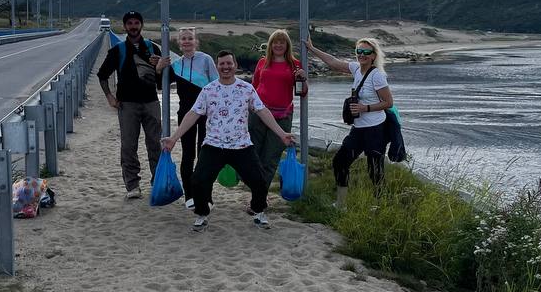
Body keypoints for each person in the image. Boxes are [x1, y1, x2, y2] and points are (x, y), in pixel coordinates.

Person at [161, 49, 295, 231]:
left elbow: (263, 111)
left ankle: (258, 211)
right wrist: (174, 138)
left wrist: (282, 134)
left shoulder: (246, 89)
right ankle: (202, 213)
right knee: (198, 181)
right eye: (222, 64)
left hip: (241, 145)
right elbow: (193, 114)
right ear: (217, 66)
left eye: (229, 63)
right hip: (214, 145)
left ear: (235, 66)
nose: (226, 67)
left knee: (260, 181)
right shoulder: (208, 90)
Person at [305, 34, 393, 205]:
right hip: (359, 129)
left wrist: (364, 108)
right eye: (359, 51)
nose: (361, 55)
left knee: (375, 170)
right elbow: (333, 62)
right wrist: (312, 48)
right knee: (340, 161)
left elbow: (388, 103)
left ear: (374, 56)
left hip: (375, 130)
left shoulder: (377, 76)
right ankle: (341, 204)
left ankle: (380, 206)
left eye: (366, 52)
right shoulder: (356, 69)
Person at [96, 10, 162, 199]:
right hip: (127, 105)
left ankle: (156, 183)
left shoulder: (153, 48)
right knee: (128, 146)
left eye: (136, 23)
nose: (133, 26)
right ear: (124, 27)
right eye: (130, 23)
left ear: (142, 25)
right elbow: (102, 75)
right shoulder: (117, 50)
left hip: (151, 102)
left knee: (155, 145)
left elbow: (162, 80)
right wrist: (109, 96)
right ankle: (133, 186)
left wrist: (159, 69)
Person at [156, 28, 218, 208]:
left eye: (190, 38)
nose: (187, 42)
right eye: (183, 39)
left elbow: (215, 85)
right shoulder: (176, 64)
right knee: (188, 155)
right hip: (186, 113)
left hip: (206, 114)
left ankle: (206, 195)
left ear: (195, 41)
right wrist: (159, 68)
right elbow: (161, 86)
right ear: (178, 43)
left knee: (205, 155)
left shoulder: (206, 59)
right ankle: (189, 196)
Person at [249, 28, 307, 188]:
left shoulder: (295, 65)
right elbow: (253, 87)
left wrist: (302, 78)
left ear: (287, 45)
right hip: (258, 114)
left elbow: (302, 92)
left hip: (282, 117)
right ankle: (255, 193)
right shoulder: (262, 62)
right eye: (275, 42)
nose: (278, 45)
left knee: (270, 159)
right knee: (254, 155)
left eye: (282, 42)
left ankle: (260, 196)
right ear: (270, 44)